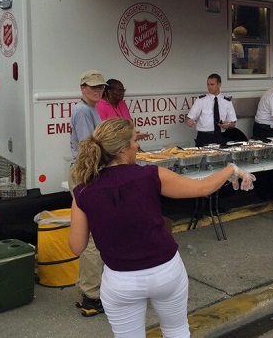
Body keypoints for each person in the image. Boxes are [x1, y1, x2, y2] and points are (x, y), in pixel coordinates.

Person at [69, 118, 256, 337]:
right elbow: (203, 188)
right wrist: (232, 169)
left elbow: (76, 247)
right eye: (134, 141)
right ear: (122, 149)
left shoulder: (83, 192)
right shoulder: (150, 175)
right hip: (165, 272)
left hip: (121, 280)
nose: (137, 145)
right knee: (177, 331)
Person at [70, 69, 107, 316]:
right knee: (93, 236)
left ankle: (90, 289)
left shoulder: (90, 108)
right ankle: (92, 296)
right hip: (88, 173)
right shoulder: (84, 111)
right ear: (82, 88)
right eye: (92, 87)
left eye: (100, 87)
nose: (97, 90)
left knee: (91, 233)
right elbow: (89, 148)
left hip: (86, 172)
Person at [187, 73, 247, 146]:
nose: (209, 87)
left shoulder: (227, 102)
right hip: (204, 137)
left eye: (212, 84)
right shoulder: (201, 100)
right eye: (208, 84)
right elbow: (188, 118)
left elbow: (233, 124)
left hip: (221, 136)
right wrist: (189, 121)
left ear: (219, 85)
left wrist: (227, 125)